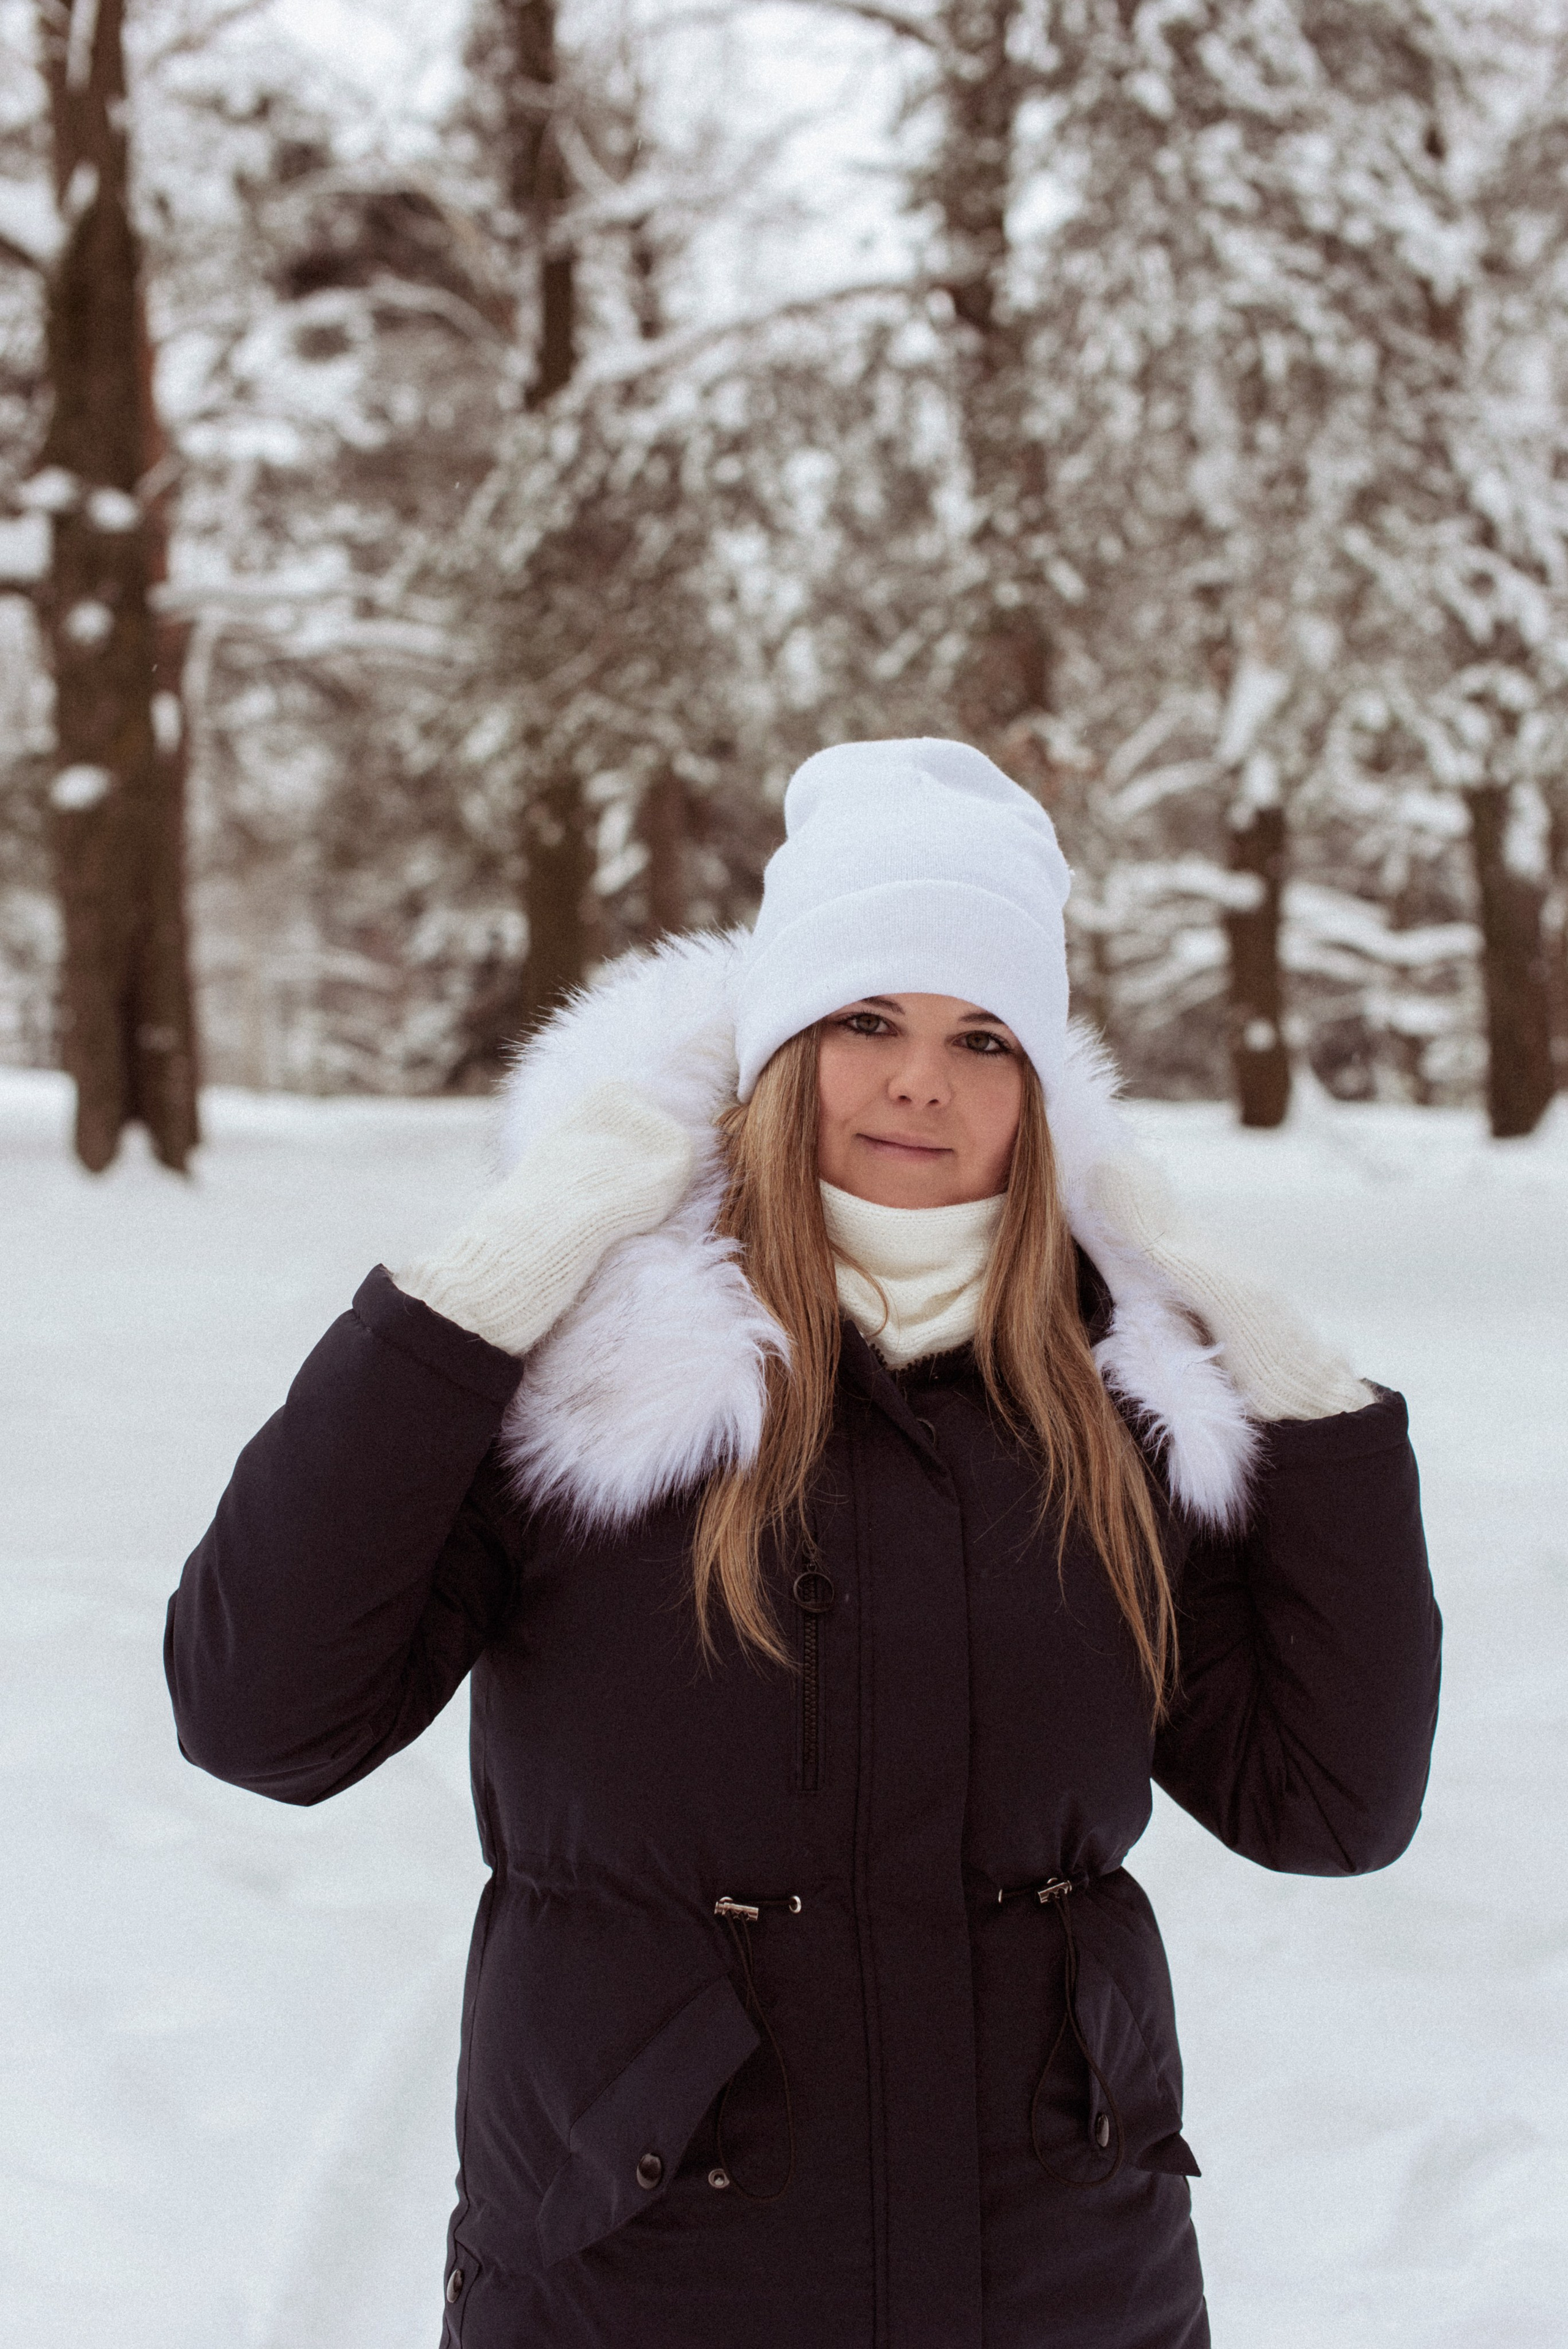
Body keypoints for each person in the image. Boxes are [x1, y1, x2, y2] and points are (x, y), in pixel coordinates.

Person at [165, 737, 1441, 2349]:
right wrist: (478, 1292)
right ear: (781, 1048)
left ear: (1040, 1092)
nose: (924, 1079)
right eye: (868, 1019)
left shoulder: (1106, 1401)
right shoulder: (597, 1378)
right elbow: (262, 1715)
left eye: (985, 1037)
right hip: (646, 2286)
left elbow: (1332, 1803)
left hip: (1064, 2291)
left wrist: (1307, 1404)